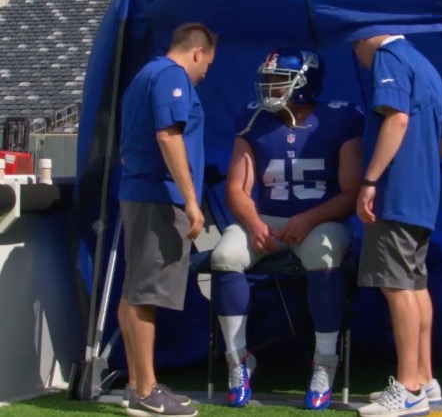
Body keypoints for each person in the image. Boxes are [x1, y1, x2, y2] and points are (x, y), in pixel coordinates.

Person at [209, 49, 364, 410]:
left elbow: (351, 191)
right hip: (266, 219)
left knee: (322, 254)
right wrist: (254, 223)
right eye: (267, 78)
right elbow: (236, 188)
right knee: (224, 255)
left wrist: (310, 219)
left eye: (279, 78)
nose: (269, 86)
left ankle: (324, 361)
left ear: (304, 82)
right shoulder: (252, 119)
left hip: (321, 219)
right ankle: (238, 360)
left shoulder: (339, 119)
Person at [117, 22, 216, 417]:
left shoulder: (145, 74)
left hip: (141, 194)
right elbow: (168, 136)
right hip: (159, 198)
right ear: (197, 53)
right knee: (147, 294)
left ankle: (138, 382)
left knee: (134, 291)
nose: (206, 73)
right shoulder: (171, 76)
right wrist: (191, 200)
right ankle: (145, 390)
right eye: (207, 63)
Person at [352, 34, 442, 417]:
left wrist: (371, 179)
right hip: (423, 195)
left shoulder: (388, 59)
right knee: (415, 285)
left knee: (396, 288)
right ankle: (425, 379)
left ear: (364, 39)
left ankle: (408, 388)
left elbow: (397, 118)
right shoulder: (426, 65)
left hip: (397, 196)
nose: (357, 59)